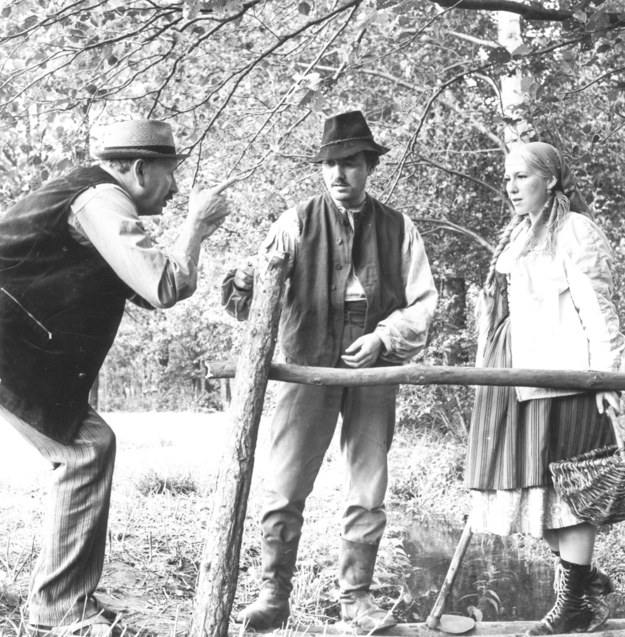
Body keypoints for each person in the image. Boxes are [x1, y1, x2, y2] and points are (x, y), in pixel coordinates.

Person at [0, 119, 230, 636]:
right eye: (171, 175)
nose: (175, 189)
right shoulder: (102, 200)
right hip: (7, 348)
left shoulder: (92, 197)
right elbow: (164, 285)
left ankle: (66, 601)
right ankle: (59, 612)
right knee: (84, 449)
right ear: (141, 168)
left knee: (90, 445)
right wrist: (195, 227)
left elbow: (144, 290)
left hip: (13, 347)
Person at [222, 110, 438, 633]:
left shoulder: (397, 227)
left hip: (374, 366)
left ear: (369, 167)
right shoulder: (294, 222)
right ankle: (274, 596)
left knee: (368, 484)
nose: (339, 175)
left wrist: (384, 336)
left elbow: (424, 303)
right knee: (284, 483)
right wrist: (247, 281)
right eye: (329, 165)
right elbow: (249, 306)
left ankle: (356, 601)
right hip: (307, 362)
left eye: (350, 164)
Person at [467, 141, 624, 636]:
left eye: (522, 177)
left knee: (570, 491)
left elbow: (599, 311)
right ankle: (588, 585)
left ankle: (573, 602)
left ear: (551, 180)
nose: (510, 186)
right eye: (507, 177)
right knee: (536, 490)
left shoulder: (576, 231)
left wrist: (607, 377)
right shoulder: (518, 233)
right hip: (515, 379)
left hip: (563, 379)